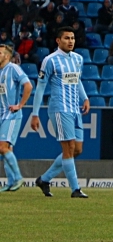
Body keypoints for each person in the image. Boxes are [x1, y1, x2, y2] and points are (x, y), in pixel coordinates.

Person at [30, 26, 89, 198]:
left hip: (75, 109)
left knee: (77, 150)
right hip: (59, 108)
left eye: (72, 38)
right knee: (69, 147)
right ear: (58, 40)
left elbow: (77, 81)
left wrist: (85, 98)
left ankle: (44, 179)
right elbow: (40, 88)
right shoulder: (50, 60)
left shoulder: (78, 59)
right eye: (66, 38)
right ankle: (75, 189)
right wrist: (35, 114)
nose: (70, 41)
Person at [0, 44, 32, 191]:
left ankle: (18, 178)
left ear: (6, 56)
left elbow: (28, 85)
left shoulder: (13, 68)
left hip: (11, 115)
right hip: (1, 115)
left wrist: (20, 105)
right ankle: (11, 181)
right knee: (7, 149)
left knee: (2, 147)